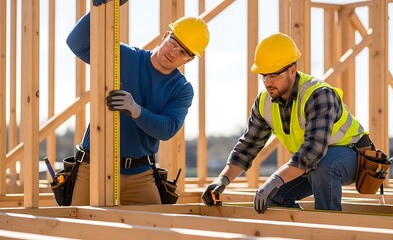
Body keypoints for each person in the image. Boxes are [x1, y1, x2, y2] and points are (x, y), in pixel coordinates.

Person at [202, 32, 371, 213]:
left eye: (274, 75)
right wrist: (222, 180)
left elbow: (313, 151)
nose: (267, 82)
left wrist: (274, 179)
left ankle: (329, 229)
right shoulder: (264, 102)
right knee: (274, 196)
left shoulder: (318, 94)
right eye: (263, 75)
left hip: (352, 156)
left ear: (293, 69)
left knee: (323, 166)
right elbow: (247, 146)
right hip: (312, 163)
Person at [66, 0, 209, 205]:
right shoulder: (124, 56)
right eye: (173, 43)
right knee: (77, 231)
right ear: (164, 36)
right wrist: (97, 10)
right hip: (93, 168)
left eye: (183, 52)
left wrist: (136, 110)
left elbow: (167, 129)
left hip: (140, 176)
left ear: (189, 60)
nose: (173, 53)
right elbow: (76, 43)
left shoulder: (181, 89)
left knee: (156, 234)